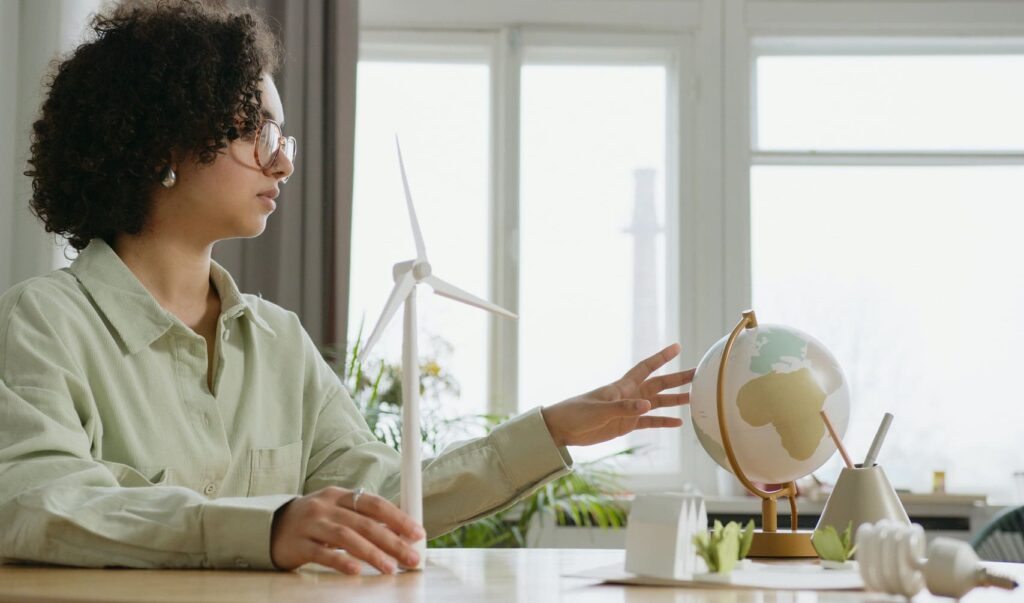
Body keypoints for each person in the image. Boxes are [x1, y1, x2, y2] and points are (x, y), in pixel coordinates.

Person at [0, 0, 695, 575]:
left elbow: (387, 494)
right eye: (256, 129)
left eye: (285, 136)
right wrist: (265, 527)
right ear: (160, 146)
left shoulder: (277, 340)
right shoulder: (42, 323)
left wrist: (551, 430)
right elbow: (40, 502)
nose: (282, 161)